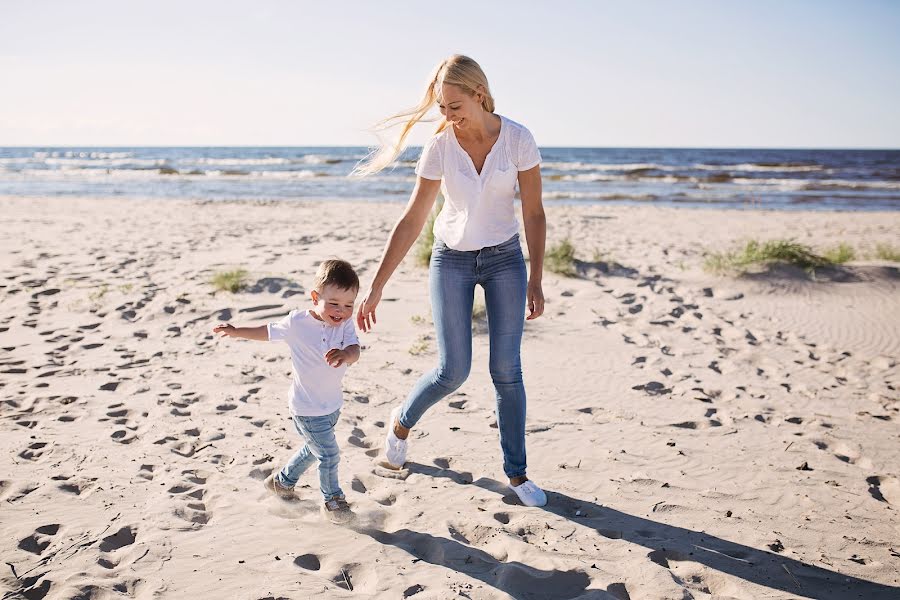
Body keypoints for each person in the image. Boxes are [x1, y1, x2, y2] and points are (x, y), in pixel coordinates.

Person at [353, 54, 548, 507]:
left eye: (454, 105)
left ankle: (517, 475)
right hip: (452, 261)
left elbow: (534, 213)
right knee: (452, 370)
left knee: (507, 370)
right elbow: (414, 217)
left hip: (504, 260)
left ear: (479, 94)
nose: (446, 115)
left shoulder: (518, 139)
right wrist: (378, 284)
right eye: (441, 106)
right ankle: (401, 423)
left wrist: (536, 278)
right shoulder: (440, 146)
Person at [213, 259, 361, 523]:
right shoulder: (297, 323)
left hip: (332, 405)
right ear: (315, 297)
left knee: (312, 449)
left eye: (349, 305)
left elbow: (355, 350)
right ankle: (333, 501)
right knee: (328, 454)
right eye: (334, 304)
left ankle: (282, 483)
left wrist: (346, 355)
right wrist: (237, 332)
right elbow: (267, 332)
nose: (341, 311)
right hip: (306, 408)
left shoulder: (346, 325)